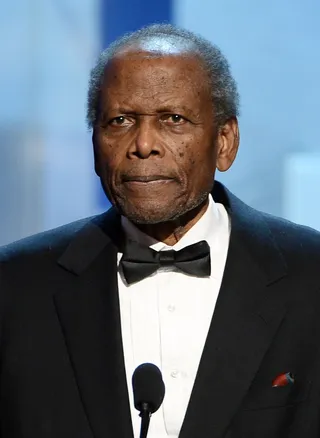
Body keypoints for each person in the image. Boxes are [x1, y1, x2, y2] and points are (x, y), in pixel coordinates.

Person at [0, 23, 320, 438]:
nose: (144, 144)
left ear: (225, 141)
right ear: (94, 141)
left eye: (173, 118)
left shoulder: (309, 276)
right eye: (120, 120)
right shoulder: (16, 285)